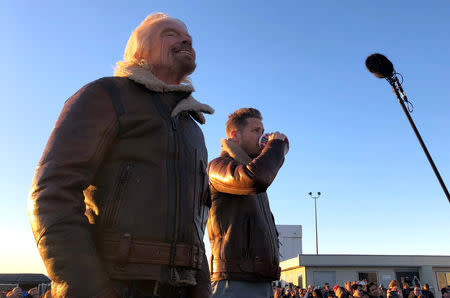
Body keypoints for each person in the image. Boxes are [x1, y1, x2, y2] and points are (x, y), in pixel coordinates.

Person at [28, 12, 214, 298]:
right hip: (117, 283)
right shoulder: (106, 95)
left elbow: (197, 224)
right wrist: (90, 290)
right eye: (170, 34)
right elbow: (51, 193)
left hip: (182, 288)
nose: (187, 39)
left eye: (188, 36)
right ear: (140, 49)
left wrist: (201, 291)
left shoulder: (193, 127)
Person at [207, 108, 288, 297]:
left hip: (261, 280)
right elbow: (254, 179)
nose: (263, 135)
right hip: (234, 281)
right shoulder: (218, 166)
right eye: (256, 131)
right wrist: (276, 146)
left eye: (262, 130)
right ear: (235, 135)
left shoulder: (254, 172)